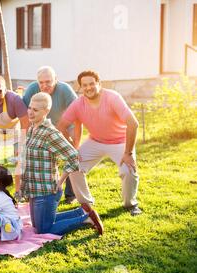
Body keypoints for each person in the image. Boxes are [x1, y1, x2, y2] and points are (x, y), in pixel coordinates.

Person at [57, 70, 141, 216]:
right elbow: (61, 126)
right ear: (80, 87)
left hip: (120, 141)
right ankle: (86, 206)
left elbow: (133, 124)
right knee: (74, 165)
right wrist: (72, 148)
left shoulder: (112, 97)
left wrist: (128, 153)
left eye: (92, 84)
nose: (88, 88)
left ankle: (130, 204)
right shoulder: (78, 104)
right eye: (85, 85)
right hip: (95, 141)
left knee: (128, 170)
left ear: (99, 84)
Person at [21, 92, 103, 236]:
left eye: (35, 110)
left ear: (46, 111)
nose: (30, 112)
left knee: (43, 229)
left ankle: (86, 219)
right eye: (30, 108)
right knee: (38, 225)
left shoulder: (50, 133)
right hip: (35, 188)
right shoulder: (32, 129)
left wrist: (61, 179)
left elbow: (74, 156)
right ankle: (81, 211)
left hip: (47, 189)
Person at [22, 66, 79, 203]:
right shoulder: (32, 89)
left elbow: (77, 115)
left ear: (56, 80)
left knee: (72, 155)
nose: (44, 85)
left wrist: (75, 143)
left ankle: (71, 194)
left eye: (48, 82)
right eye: (41, 82)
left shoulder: (64, 90)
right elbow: (26, 113)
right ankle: (33, 191)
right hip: (40, 125)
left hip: (65, 124)